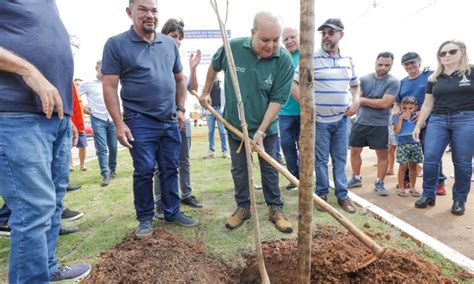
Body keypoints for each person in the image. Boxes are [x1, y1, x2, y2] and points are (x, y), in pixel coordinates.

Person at [0, 1, 91, 282]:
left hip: (54, 116)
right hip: (16, 112)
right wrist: (28, 71)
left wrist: (66, 118)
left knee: (52, 203)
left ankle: (48, 266)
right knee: (33, 209)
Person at [102, 0, 199, 239]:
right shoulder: (116, 44)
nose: (149, 15)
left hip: (169, 120)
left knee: (170, 168)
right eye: (142, 9)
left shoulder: (168, 44)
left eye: (154, 10)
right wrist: (119, 122)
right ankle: (145, 217)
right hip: (138, 120)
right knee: (144, 169)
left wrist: (180, 109)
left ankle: (172, 212)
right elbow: (109, 85)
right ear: (129, 12)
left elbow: (179, 79)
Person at [199, 12, 294, 233]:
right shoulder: (232, 48)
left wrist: (260, 131)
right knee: (239, 169)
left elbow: (277, 99)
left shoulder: (284, 61)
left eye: (276, 40)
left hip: (267, 128)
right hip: (235, 125)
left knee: (270, 168)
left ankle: (275, 208)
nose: (271, 46)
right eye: (265, 40)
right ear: (253, 33)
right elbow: (214, 65)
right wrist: (205, 92)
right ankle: (243, 207)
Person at [294, 18, 360, 213]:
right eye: (323, 33)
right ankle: (322, 194)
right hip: (320, 122)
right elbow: (293, 84)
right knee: (321, 161)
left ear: (341, 34)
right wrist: (307, 107)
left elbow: (355, 86)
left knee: (340, 160)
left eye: (330, 32)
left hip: (342, 120)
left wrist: (356, 102)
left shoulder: (348, 60)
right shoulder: (312, 59)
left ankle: (342, 196)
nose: (326, 36)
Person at [413, 40, 474, 216]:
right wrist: (418, 125)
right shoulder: (434, 78)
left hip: (466, 119)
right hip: (438, 120)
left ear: (462, 52)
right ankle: (428, 194)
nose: (446, 55)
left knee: (462, 162)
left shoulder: (471, 71)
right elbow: (427, 104)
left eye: (451, 52)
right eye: (442, 53)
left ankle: (459, 200)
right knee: (430, 158)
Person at [153, 18, 203, 220]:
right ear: (163, 34)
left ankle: (186, 194)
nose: (178, 40)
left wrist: (193, 68)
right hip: (161, 119)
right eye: (174, 36)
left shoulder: (178, 60)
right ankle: (158, 203)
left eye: (180, 37)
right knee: (161, 165)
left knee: (184, 160)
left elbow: (192, 89)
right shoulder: (154, 55)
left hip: (182, 118)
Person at [347, 52, 400, 196]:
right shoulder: (364, 79)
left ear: (391, 65)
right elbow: (356, 97)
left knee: (383, 155)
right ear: (375, 63)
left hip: (380, 125)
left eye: (387, 65)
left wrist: (363, 101)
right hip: (361, 122)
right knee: (355, 151)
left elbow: (385, 103)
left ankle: (379, 182)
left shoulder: (393, 82)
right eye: (380, 64)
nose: (383, 67)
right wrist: (362, 101)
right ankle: (356, 177)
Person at [396, 52, 447, 195]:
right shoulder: (403, 82)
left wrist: (423, 114)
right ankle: (405, 181)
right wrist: (397, 111)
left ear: (419, 62)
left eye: (413, 62)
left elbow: (438, 95)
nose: (410, 66)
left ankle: (439, 182)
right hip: (409, 127)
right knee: (407, 155)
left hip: (431, 123)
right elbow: (397, 101)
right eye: (406, 64)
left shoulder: (430, 75)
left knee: (432, 153)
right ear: (403, 66)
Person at [78, 60, 118, 187]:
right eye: (102, 69)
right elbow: (75, 96)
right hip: (97, 119)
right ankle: (105, 174)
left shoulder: (112, 82)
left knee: (113, 147)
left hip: (111, 119)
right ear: (96, 69)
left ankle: (112, 169)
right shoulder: (88, 84)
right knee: (101, 148)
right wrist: (83, 106)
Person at [279, 27, 301, 191]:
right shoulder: (281, 57)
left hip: (303, 111)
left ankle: (305, 176)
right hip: (284, 112)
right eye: (286, 39)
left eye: (292, 37)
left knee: (304, 145)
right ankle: (294, 178)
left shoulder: (307, 56)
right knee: (286, 145)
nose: (289, 41)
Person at [393, 96, 423, 197]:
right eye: (404, 108)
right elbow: (397, 130)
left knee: (413, 166)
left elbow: (423, 125)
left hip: (415, 144)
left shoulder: (417, 116)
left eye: (410, 108)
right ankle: (401, 188)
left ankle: (412, 187)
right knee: (403, 166)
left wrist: (421, 122)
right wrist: (401, 118)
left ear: (415, 108)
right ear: (401, 107)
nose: (407, 111)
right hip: (402, 144)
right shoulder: (397, 116)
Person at [202, 78, 230, 159]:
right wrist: (202, 110)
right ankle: (211, 151)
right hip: (209, 110)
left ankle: (225, 151)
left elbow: (226, 97)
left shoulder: (222, 83)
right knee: (211, 131)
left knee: (222, 131)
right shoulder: (206, 84)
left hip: (219, 110)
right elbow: (202, 97)